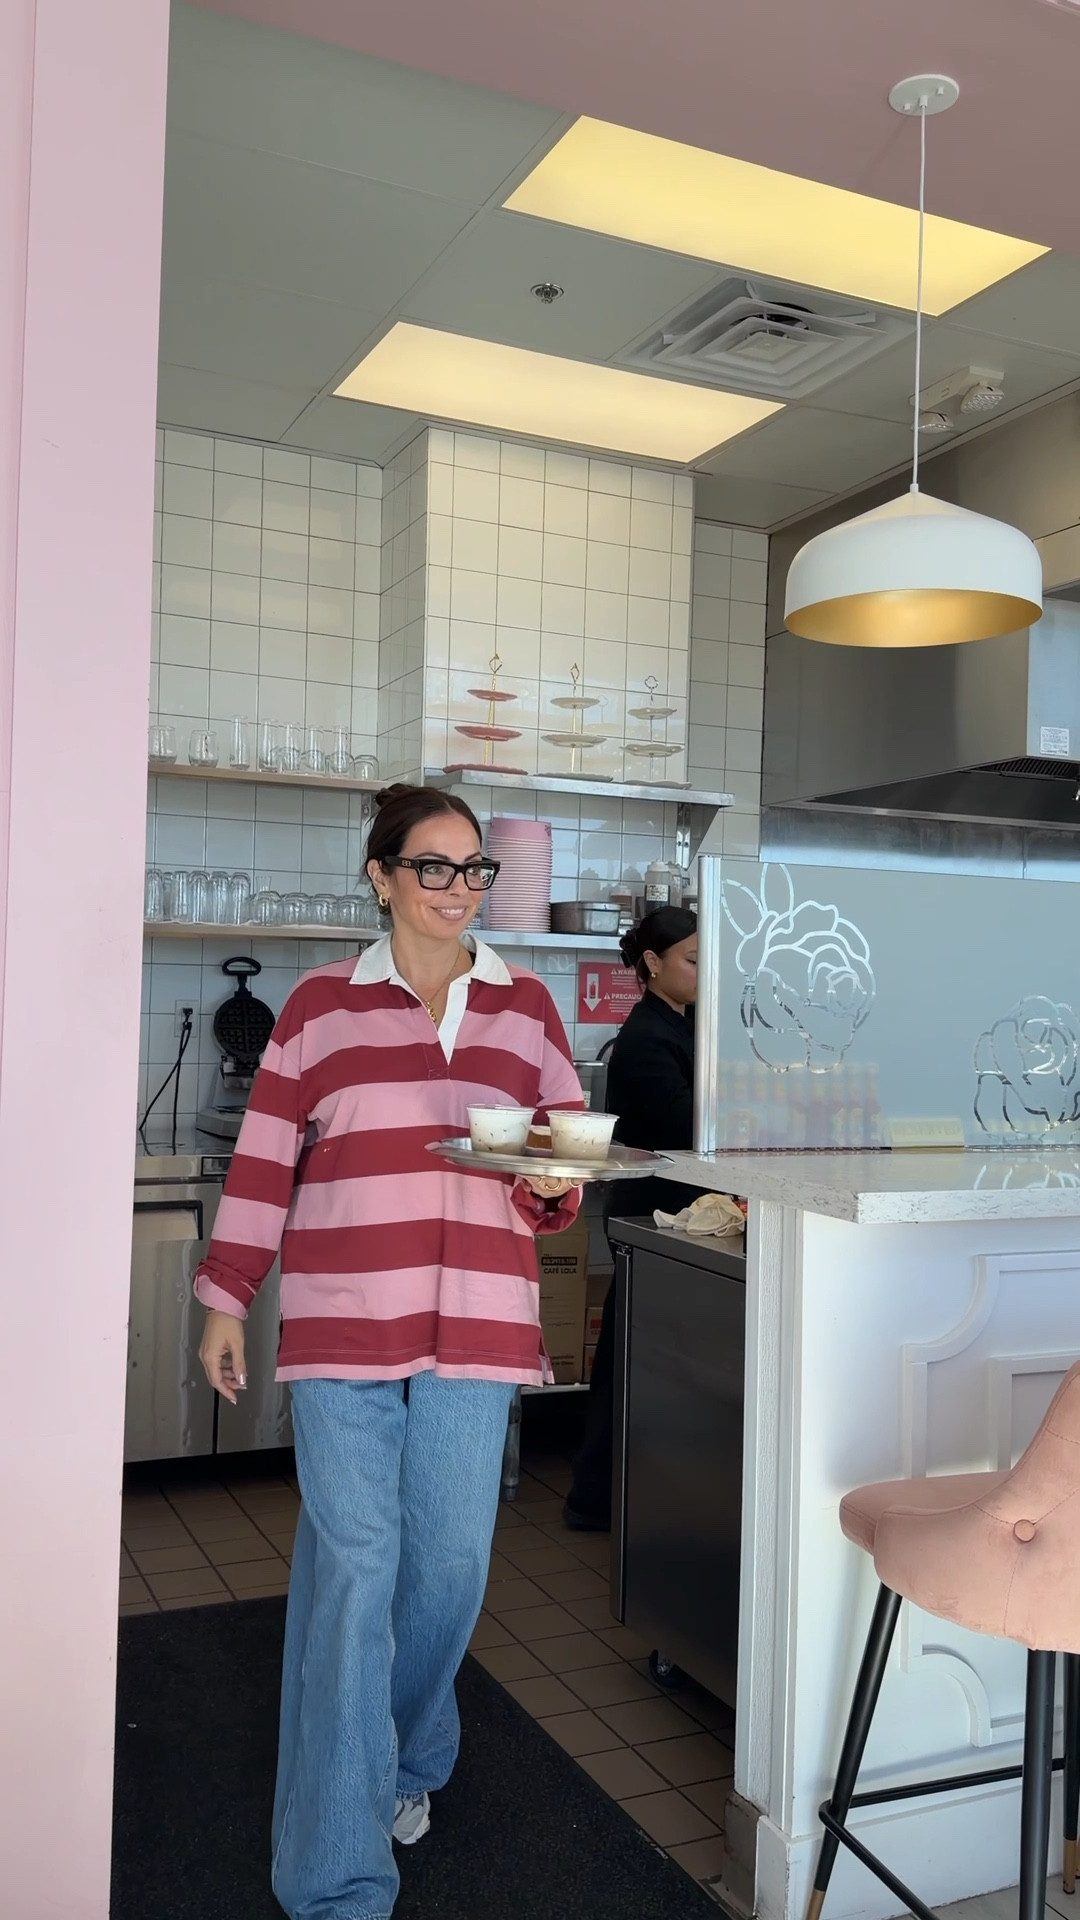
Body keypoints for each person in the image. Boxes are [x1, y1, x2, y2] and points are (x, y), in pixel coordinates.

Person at [195, 783, 582, 1920]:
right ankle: (336, 1872)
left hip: (479, 1323)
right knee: (358, 1572)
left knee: (449, 1567)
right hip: (341, 1328)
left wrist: (553, 1182)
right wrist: (227, 1294)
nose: (459, 891)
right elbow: (266, 1162)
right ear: (381, 877)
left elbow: (558, 1161)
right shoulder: (318, 1007)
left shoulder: (529, 1010)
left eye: (475, 871)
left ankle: (408, 1758)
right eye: (434, 868)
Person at [564, 905, 702, 1533]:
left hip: (675, 1217)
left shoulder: (687, 1022)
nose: (706, 974)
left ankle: (614, 1494)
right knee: (627, 1359)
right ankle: (594, 1499)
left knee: (641, 1358)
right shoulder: (647, 1035)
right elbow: (685, 1122)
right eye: (694, 962)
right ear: (652, 963)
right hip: (650, 1219)